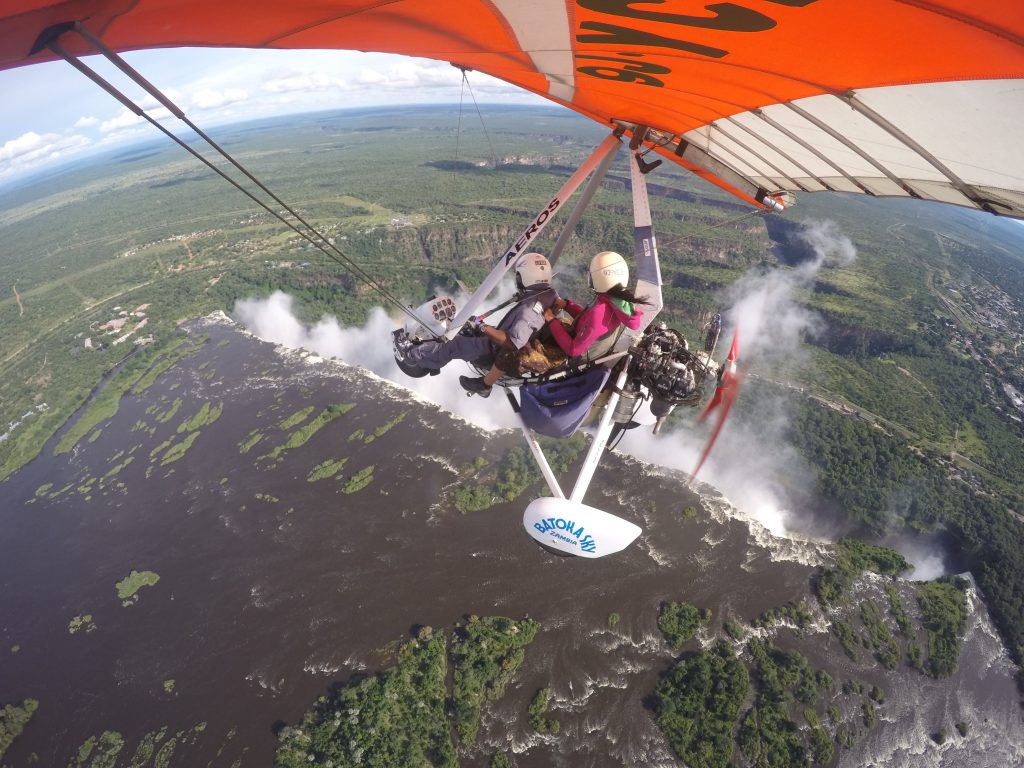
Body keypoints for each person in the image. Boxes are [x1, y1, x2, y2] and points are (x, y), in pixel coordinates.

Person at [396, 253, 559, 398]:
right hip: (505, 343)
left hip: (494, 352)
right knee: (468, 328)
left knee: (454, 345)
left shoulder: (528, 311)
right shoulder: (550, 295)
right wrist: (481, 327)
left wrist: (482, 327)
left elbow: (512, 343)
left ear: (522, 277)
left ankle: (412, 354)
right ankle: (437, 341)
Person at [543, 250, 647, 358]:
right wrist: (567, 305)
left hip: (574, 359)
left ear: (598, 278)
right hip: (584, 345)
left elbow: (573, 350)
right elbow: (587, 321)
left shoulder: (600, 311)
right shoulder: (614, 301)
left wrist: (551, 320)